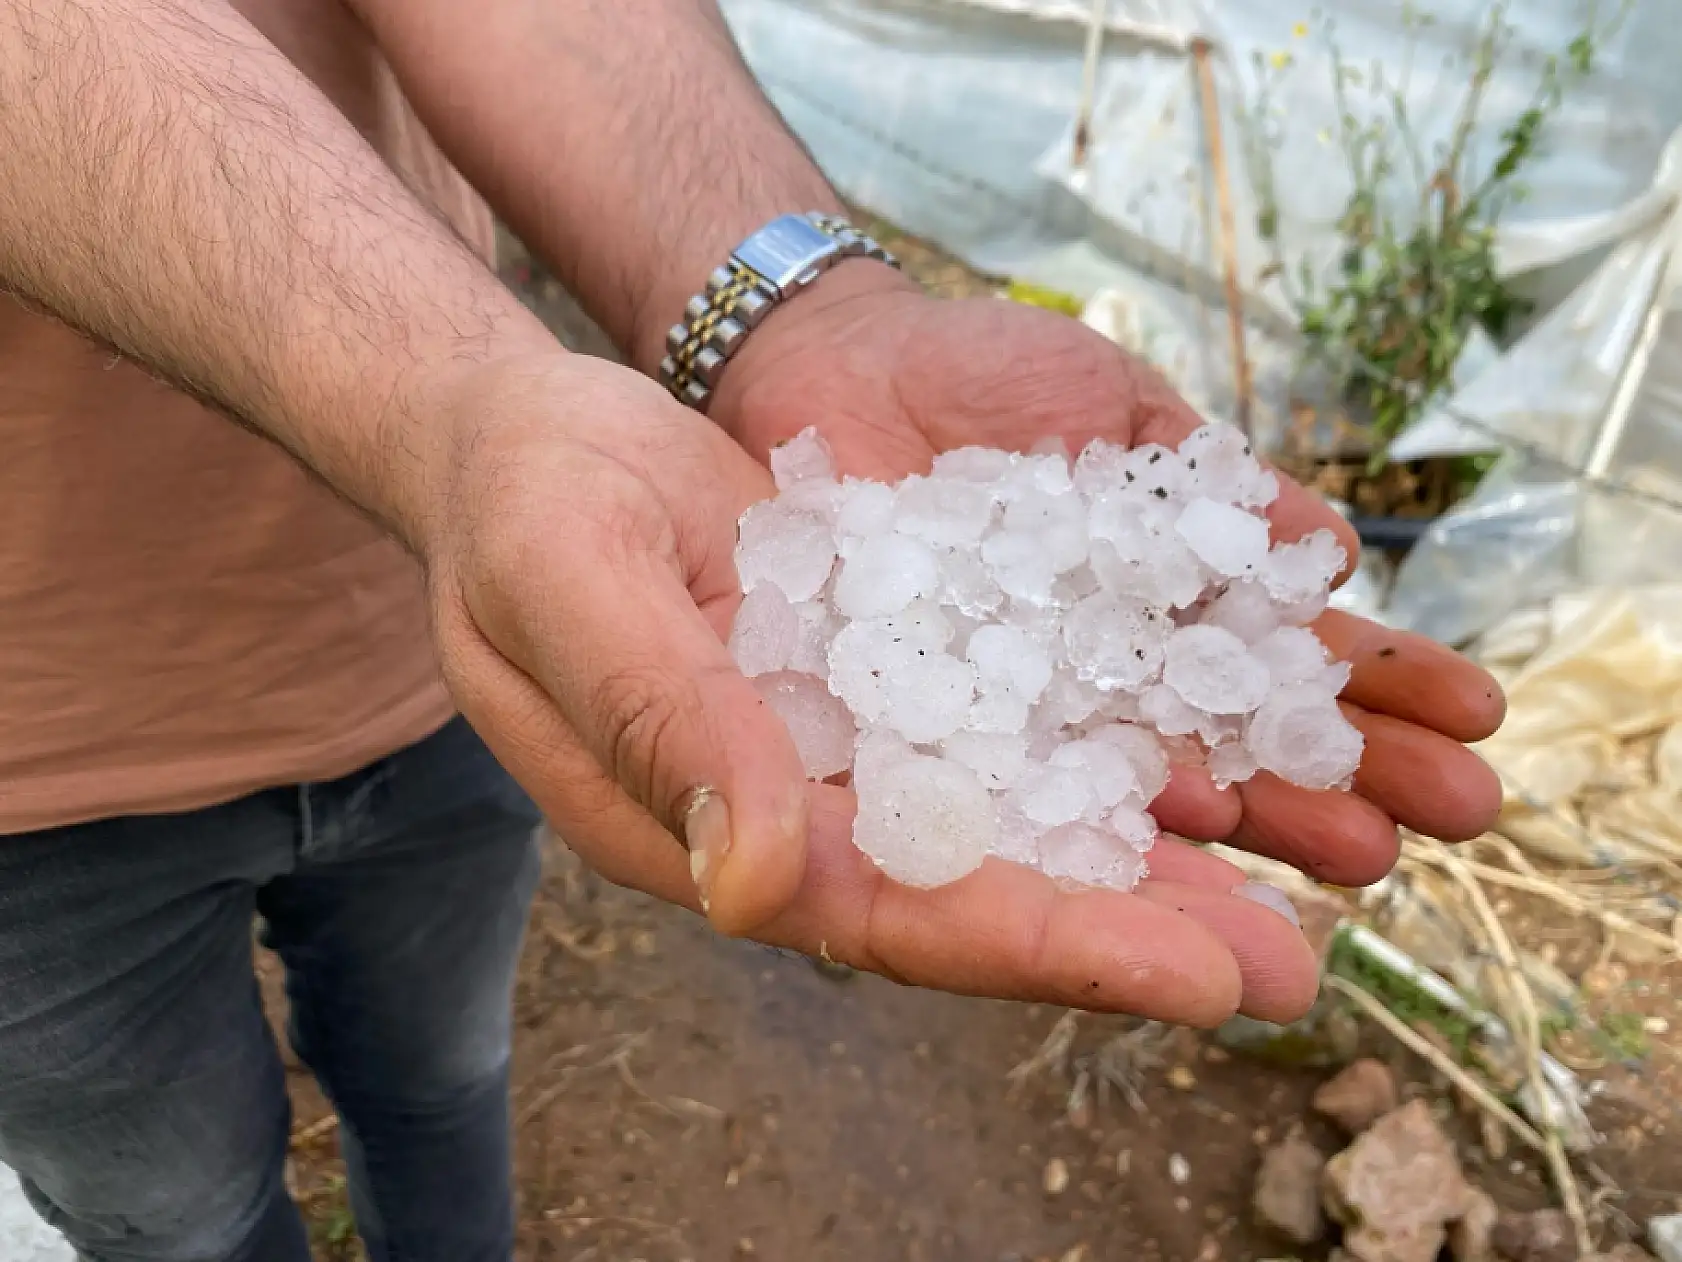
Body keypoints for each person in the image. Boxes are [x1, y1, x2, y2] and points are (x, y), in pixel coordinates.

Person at [0, 2, 1506, 1259]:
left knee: (445, 1082)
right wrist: (450, 404)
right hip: (35, 768)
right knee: (174, 1214)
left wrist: (810, 314)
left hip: (422, 651)